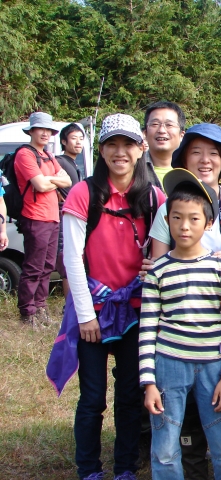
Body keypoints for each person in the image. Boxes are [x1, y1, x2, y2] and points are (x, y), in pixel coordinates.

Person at [147, 123, 221, 477]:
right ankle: (191, 467)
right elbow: (158, 264)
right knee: (177, 426)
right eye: (196, 152)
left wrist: (219, 272)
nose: (205, 159)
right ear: (184, 158)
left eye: (213, 153)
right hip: (176, 334)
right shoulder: (168, 207)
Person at [63, 113, 165, 480]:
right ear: (102, 150)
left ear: (140, 149)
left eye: (127, 144)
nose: (120, 152)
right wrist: (86, 315)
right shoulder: (84, 193)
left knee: (128, 397)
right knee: (92, 398)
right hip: (94, 308)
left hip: (136, 311)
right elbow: (72, 258)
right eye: (111, 144)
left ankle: (125, 468)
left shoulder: (153, 197)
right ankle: (89, 469)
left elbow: (165, 252)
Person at [140, 169, 221, 480]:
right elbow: (147, 330)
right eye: (177, 218)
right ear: (167, 220)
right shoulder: (157, 271)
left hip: (214, 367)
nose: (184, 226)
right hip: (169, 365)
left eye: (194, 218)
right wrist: (149, 382)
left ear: (208, 223)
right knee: (165, 445)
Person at [15, 112, 71, 327]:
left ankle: (40, 307)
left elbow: (67, 180)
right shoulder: (25, 154)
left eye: (49, 130)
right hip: (35, 216)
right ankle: (27, 312)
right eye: (41, 129)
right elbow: (39, 185)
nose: (45, 133)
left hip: (53, 217)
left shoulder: (48, 155)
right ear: (31, 131)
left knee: (48, 266)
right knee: (34, 266)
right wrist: (53, 180)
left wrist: (49, 180)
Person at [56, 123, 84, 298]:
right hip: (62, 218)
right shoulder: (59, 161)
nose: (78, 142)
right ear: (64, 141)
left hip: (73, 216)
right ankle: (69, 306)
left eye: (81, 138)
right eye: (74, 138)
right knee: (67, 261)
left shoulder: (73, 163)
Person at [142, 101, 186, 188]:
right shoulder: (132, 170)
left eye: (169, 125)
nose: (161, 130)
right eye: (155, 124)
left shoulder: (192, 170)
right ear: (145, 133)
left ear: (181, 135)